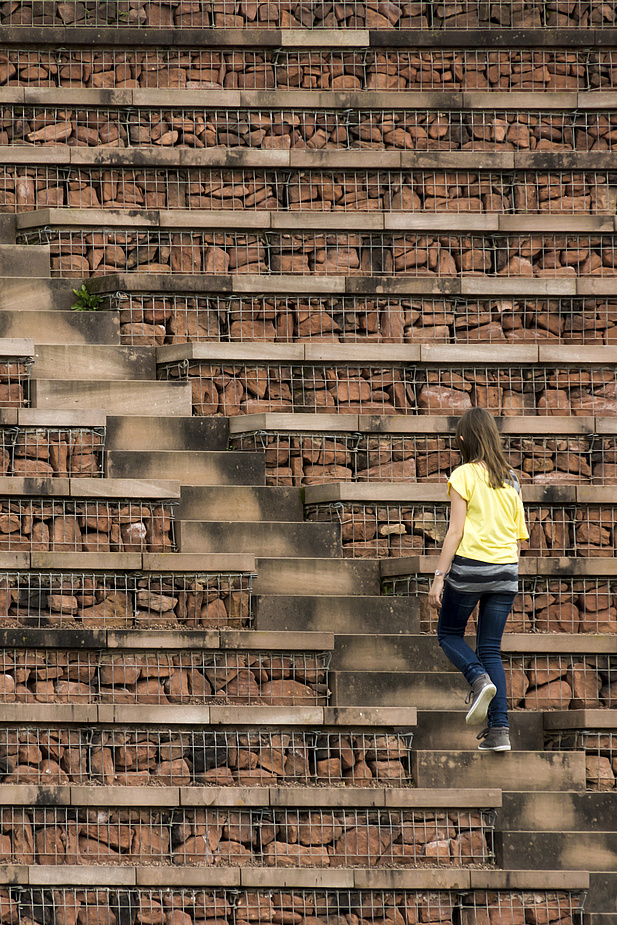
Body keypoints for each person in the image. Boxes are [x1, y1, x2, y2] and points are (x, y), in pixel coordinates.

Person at [427, 407, 529, 753]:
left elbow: (455, 531)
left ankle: (476, 677)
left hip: (471, 569)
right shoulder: (512, 478)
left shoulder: (463, 475)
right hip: (505, 573)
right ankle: (500, 730)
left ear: (462, 439)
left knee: (448, 633)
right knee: (490, 648)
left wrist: (439, 577)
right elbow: (518, 540)